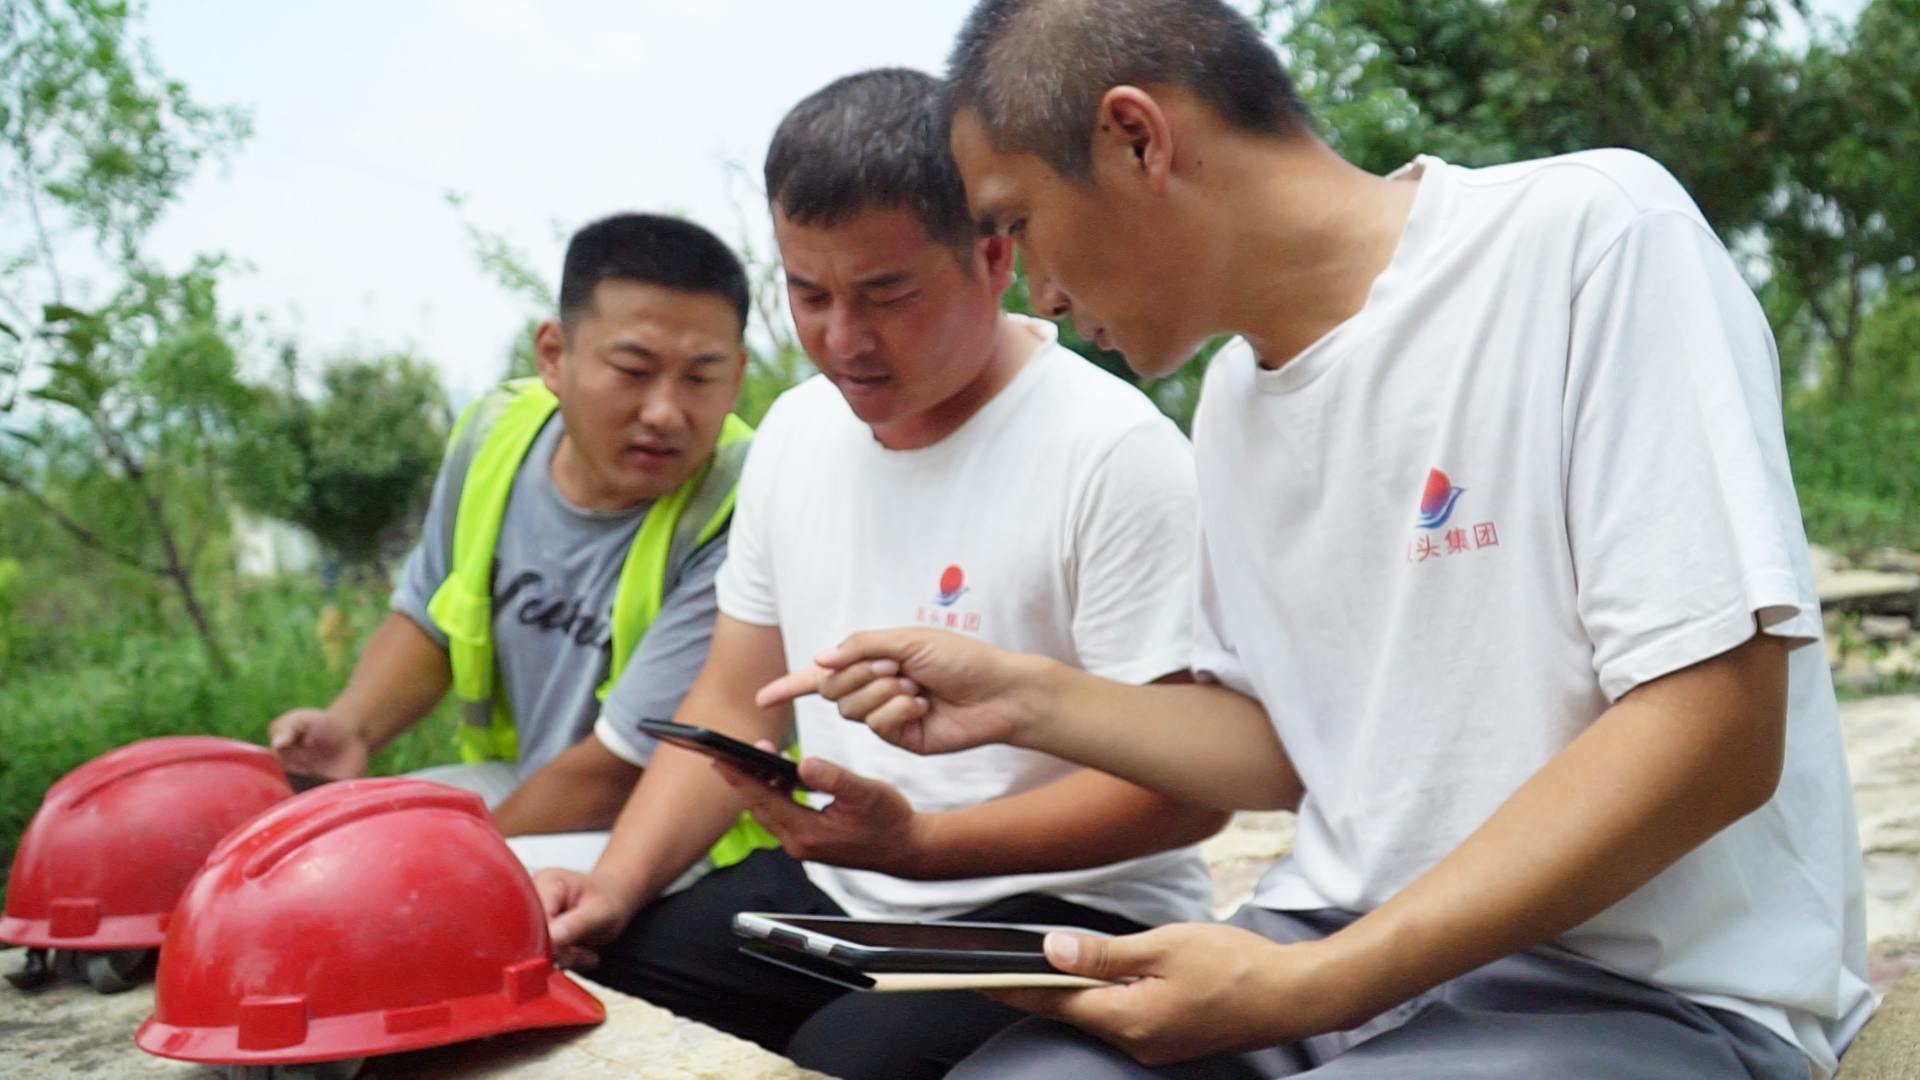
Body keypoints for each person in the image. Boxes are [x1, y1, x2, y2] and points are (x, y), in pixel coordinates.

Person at [765, 2, 1874, 1077]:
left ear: (1137, 137)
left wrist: (1317, 986)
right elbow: (1287, 747)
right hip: (1330, 945)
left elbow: (1716, 724)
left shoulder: (1588, 238)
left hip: (1639, 989)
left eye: (1015, 224)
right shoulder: (1236, 402)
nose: (1038, 297)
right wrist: (1026, 697)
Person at [530, 68, 1227, 1078]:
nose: (841, 339)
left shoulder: (1112, 452)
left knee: (845, 1058)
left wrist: (922, 848)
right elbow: (736, 697)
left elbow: (1187, 791)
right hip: (847, 887)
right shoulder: (796, 434)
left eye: (886, 293)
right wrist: (615, 883)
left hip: (1066, 907)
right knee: (595, 993)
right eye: (807, 294)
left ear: (995, 255)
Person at [270, 213, 771, 876]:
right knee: (307, 841)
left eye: (700, 378)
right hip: (530, 787)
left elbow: (616, 772)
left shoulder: (746, 503)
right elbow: (431, 614)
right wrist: (351, 726)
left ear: (735, 378)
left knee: (398, 882)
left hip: (674, 832)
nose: (664, 411)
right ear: (554, 357)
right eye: (632, 369)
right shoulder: (494, 433)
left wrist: (445, 861)